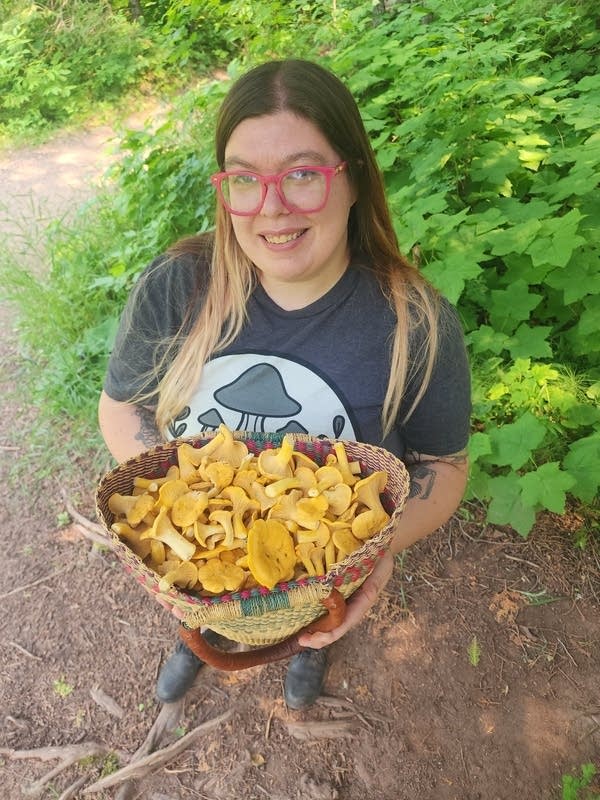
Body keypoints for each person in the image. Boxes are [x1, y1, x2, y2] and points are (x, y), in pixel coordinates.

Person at [98, 59, 471, 709]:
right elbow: (121, 405)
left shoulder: (415, 323)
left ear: (354, 179)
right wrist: (189, 521)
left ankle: (309, 653)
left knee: (313, 625)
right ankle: (198, 637)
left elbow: (445, 465)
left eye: (302, 174)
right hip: (200, 564)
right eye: (245, 178)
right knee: (208, 604)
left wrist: (372, 553)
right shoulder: (178, 287)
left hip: (326, 583)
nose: (271, 208)